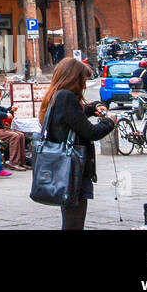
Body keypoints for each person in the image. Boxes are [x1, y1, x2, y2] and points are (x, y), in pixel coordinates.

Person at [38, 57, 114, 230]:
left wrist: (93, 107)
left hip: (65, 168)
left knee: (71, 219)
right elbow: (91, 132)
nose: (85, 85)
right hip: (73, 170)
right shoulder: (66, 97)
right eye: (84, 80)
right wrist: (110, 121)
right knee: (74, 223)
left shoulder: (57, 95)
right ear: (74, 79)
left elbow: (72, 119)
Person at [0, 84, 27, 171]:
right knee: (15, 136)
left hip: (0, 129)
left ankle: (21, 162)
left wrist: (10, 109)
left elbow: (2, 110)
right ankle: (14, 162)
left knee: (21, 135)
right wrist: (6, 115)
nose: (0, 96)